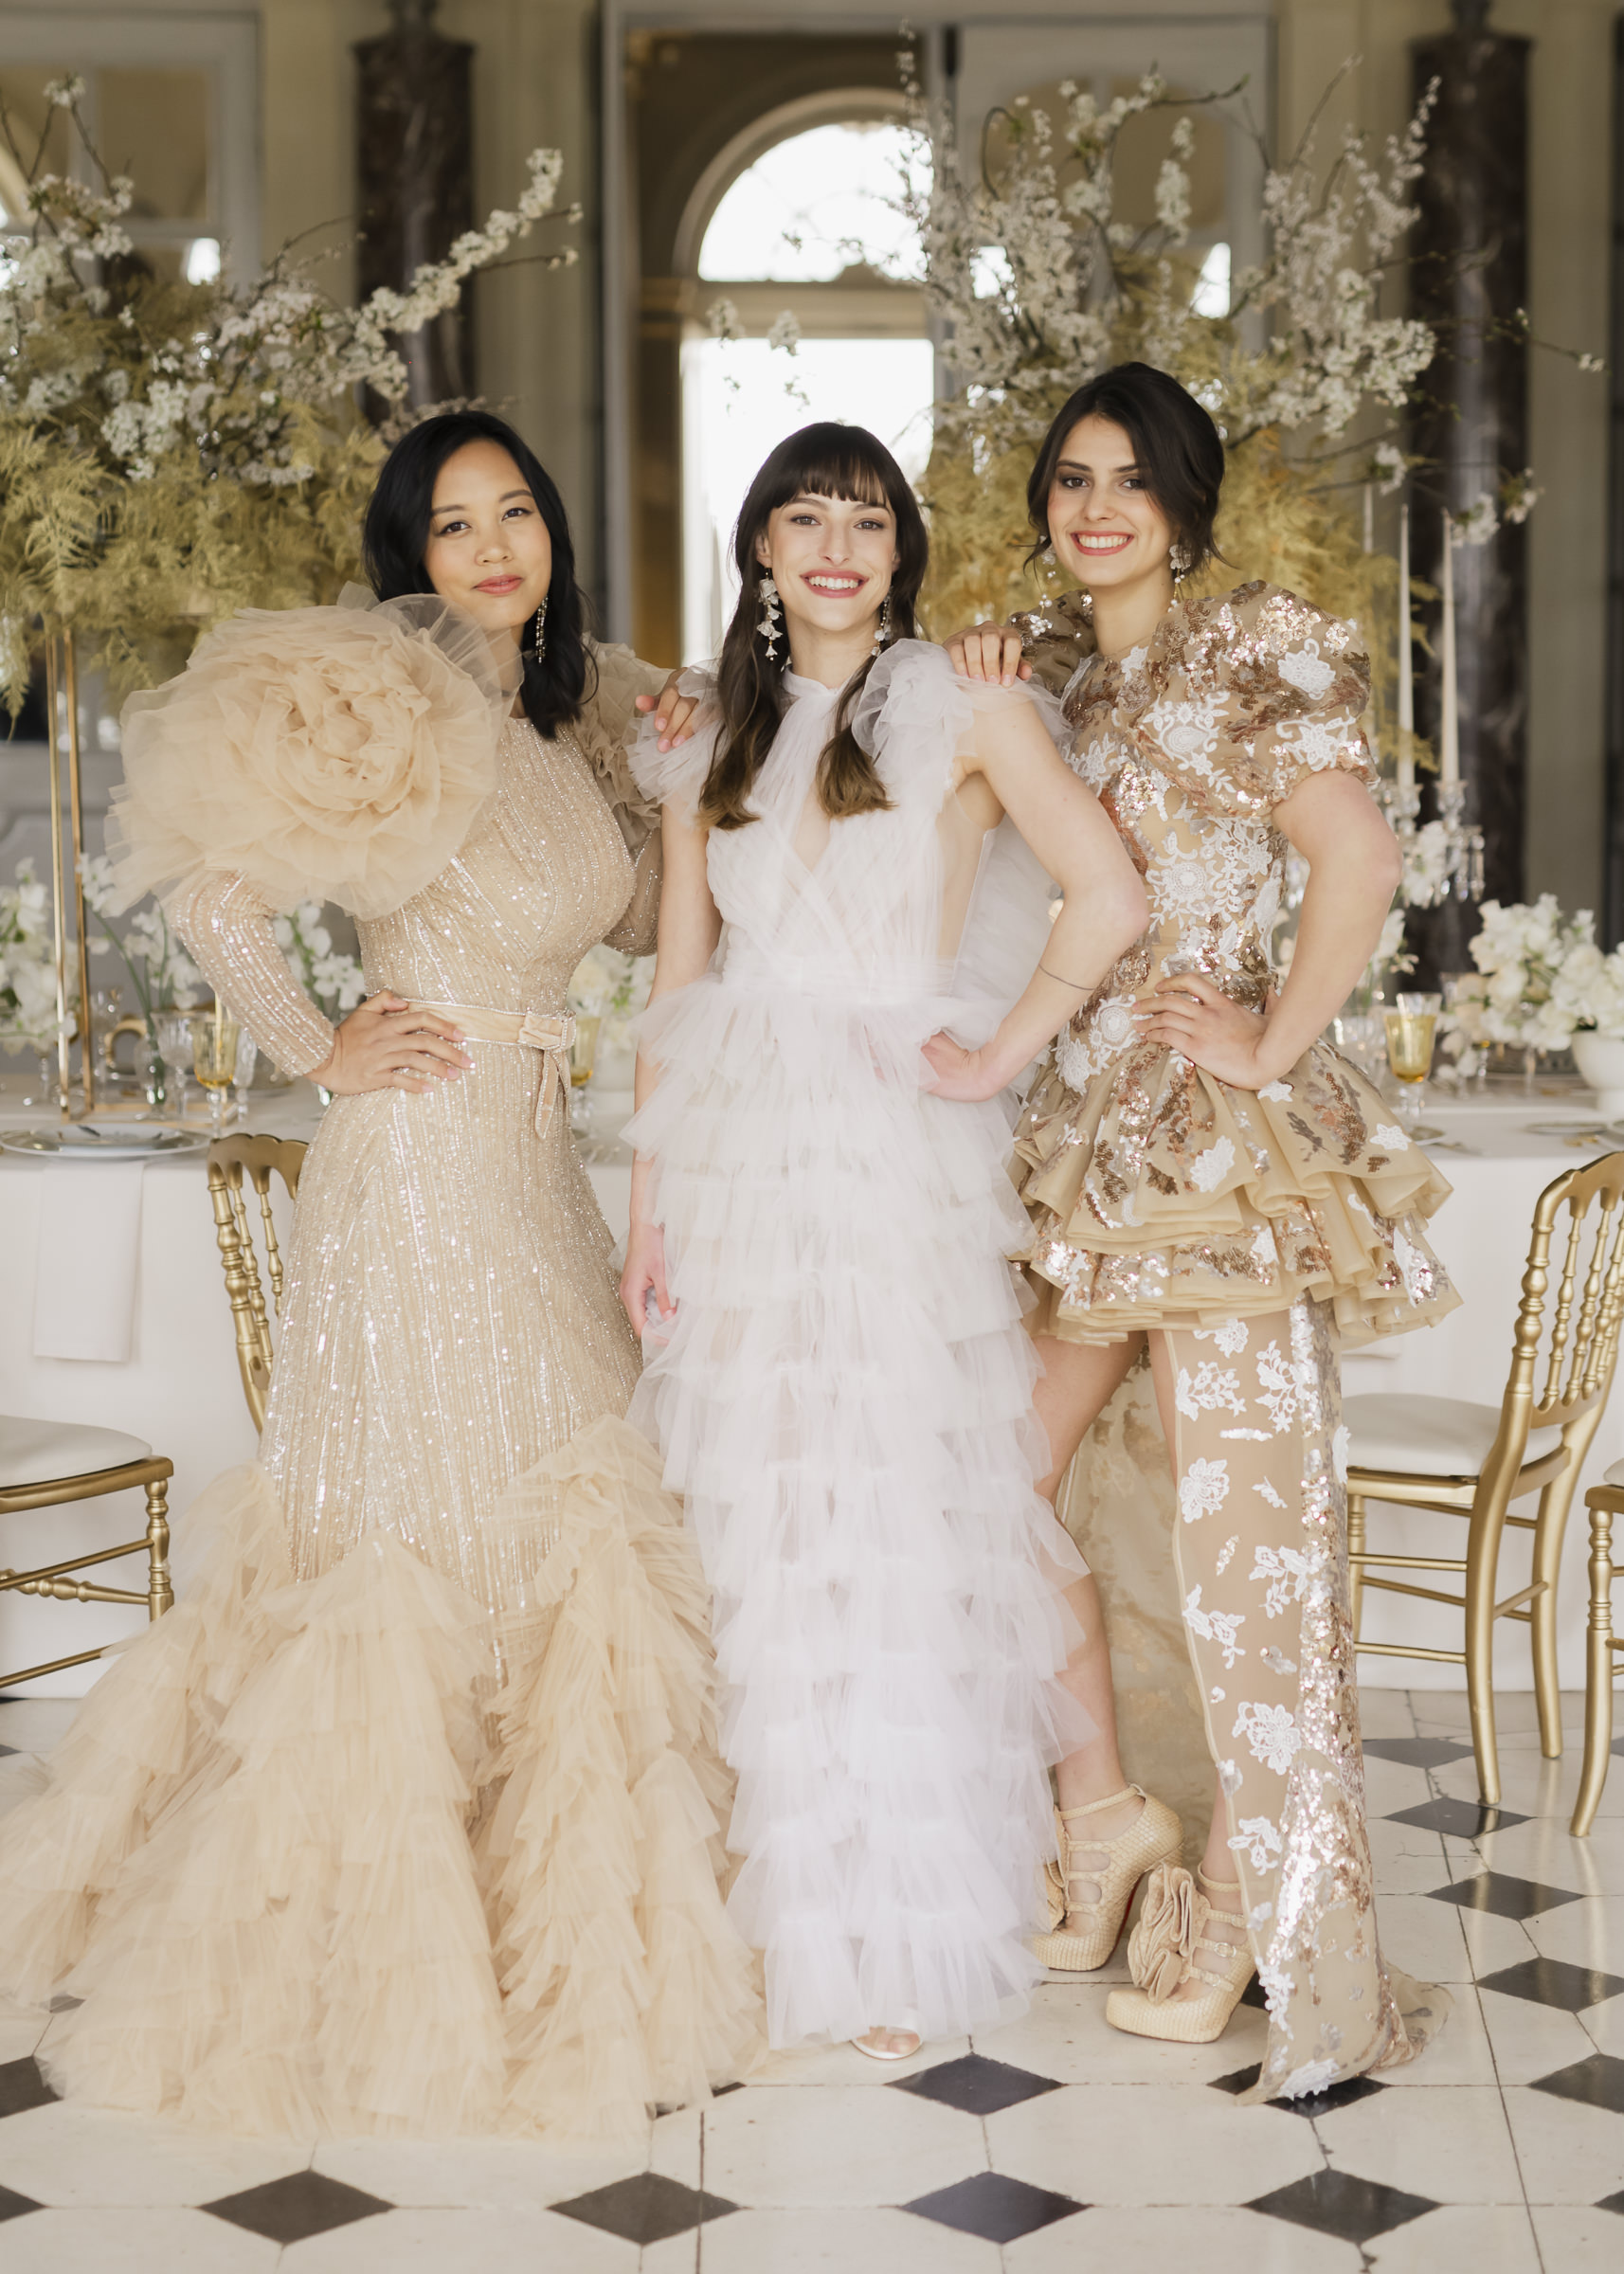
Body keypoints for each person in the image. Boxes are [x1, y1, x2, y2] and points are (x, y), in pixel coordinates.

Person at [0, 410, 759, 2141]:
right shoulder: (382, 703)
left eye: (517, 513)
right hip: (416, 1163)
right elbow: (216, 904)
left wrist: (669, 777)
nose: (493, 545)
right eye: (453, 524)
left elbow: (640, 923)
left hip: (536, 1150)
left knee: (570, 1494)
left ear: (554, 535)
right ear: (410, 558)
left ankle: (559, 1914)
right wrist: (318, 1046)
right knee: (425, 1514)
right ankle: (380, 1930)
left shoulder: (572, 712)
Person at [942, 362, 1455, 2100]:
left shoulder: (1256, 643)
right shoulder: (1071, 670)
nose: (1094, 506)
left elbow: (1356, 860)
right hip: (1082, 1139)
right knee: (994, 1476)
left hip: (1219, 1148)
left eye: (1130, 479)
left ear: (1186, 498)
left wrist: (1268, 1038)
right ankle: (1107, 1805)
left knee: (1253, 1535)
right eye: (1070, 477)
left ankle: (1258, 1890)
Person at [619, 421, 1148, 2063]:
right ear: (759, 549)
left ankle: (898, 1926)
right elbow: (677, 981)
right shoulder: (705, 734)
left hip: (895, 1146)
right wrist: (646, 1216)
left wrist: (997, 1052)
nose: (836, 544)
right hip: (737, 1152)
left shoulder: (962, 701)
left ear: (900, 550)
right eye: (802, 515)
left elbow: (1109, 895)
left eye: (866, 519)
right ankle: (784, 1914)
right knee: (767, 1526)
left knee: (901, 1512)